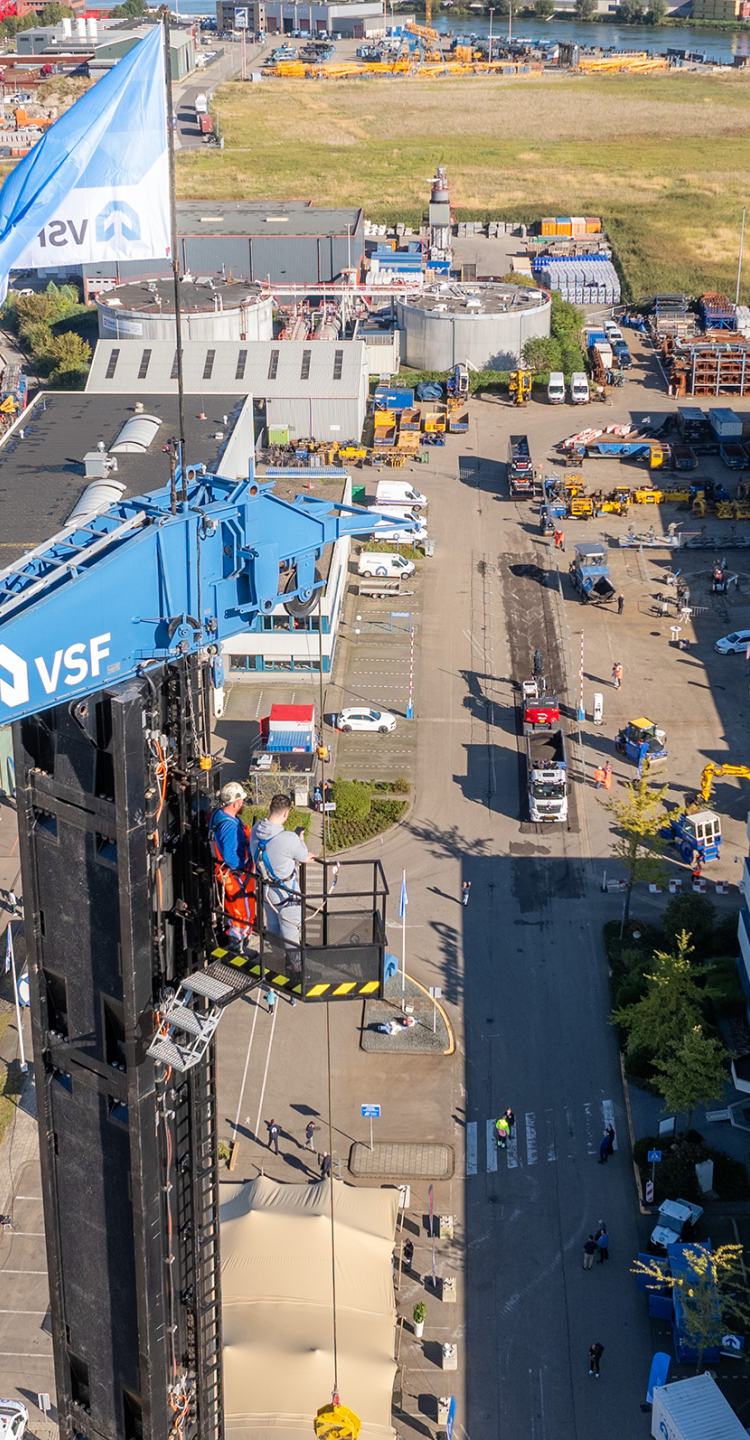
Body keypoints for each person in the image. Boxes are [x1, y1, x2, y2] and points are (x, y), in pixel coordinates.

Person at [250, 793, 316, 971]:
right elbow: (303, 856)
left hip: (267, 892)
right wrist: (300, 841)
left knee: (272, 927)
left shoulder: (256, 830)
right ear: (286, 814)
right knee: (291, 933)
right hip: (287, 893)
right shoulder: (289, 838)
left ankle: (278, 960)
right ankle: (296, 969)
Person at [208, 781, 255, 947]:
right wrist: (241, 870)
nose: (242, 804)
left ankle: (237, 941)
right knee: (243, 911)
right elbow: (230, 856)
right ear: (236, 803)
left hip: (229, 873)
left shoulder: (221, 816)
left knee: (237, 909)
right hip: (236, 875)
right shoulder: (229, 827)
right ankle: (238, 946)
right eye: (241, 801)